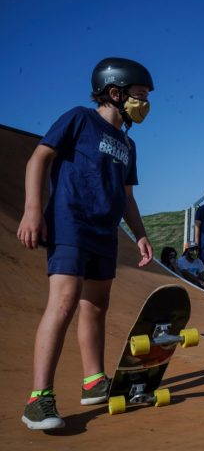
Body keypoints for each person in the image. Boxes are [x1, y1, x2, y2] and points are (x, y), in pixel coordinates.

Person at [16, 57, 155, 430]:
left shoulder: (128, 144)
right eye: (139, 96)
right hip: (70, 223)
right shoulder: (80, 119)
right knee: (63, 303)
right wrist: (32, 209)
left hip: (104, 232)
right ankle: (38, 398)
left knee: (96, 305)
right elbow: (38, 158)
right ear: (115, 93)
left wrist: (140, 233)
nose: (145, 104)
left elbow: (127, 196)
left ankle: (94, 381)